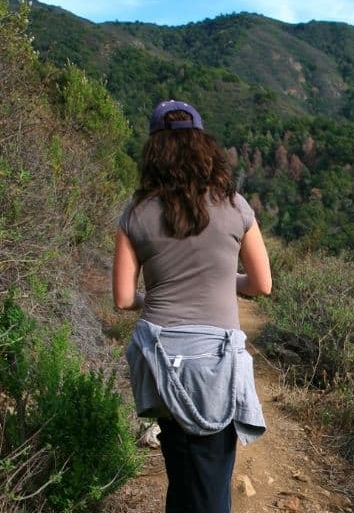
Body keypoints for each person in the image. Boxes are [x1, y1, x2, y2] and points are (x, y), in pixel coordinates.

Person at [112, 99, 271, 512]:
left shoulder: (136, 212)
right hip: (216, 365)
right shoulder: (235, 206)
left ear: (154, 151)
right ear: (204, 146)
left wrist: (159, 293)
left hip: (160, 359)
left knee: (185, 474)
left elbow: (124, 298)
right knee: (208, 479)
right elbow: (261, 284)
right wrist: (223, 281)